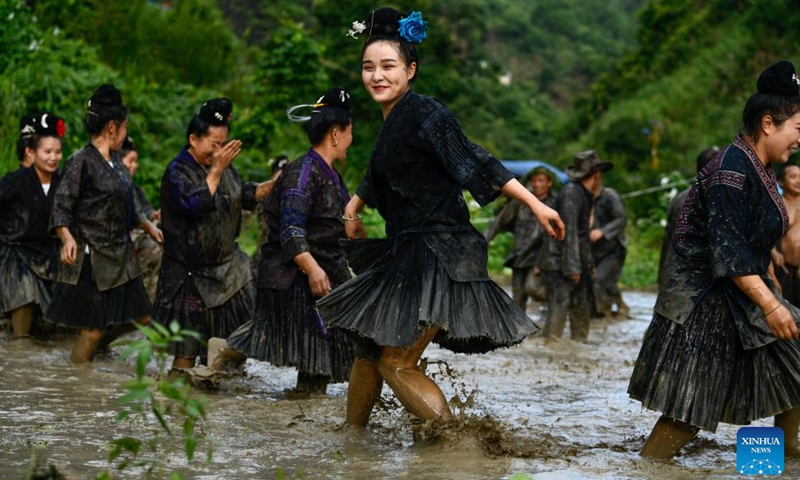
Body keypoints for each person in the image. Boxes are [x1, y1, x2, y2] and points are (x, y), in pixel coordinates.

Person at [316, 8, 564, 428]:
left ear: (411, 70)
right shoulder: (392, 123)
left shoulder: (428, 113)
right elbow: (382, 173)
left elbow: (477, 162)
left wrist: (536, 205)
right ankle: (353, 442)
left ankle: (455, 447)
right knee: (370, 352)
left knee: (397, 363)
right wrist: (354, 206)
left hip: (440, 253)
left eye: (389, 66)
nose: (377, 75)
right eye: (368, 67)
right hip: (409, 252)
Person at [628, 60, 800, 461]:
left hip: (743, 295)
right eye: (797, 131)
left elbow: (757, 244)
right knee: (689, 412)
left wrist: (773, 290)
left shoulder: (761, 169)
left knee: (796, 368)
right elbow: (730, 252)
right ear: (769, 123)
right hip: (702, 303)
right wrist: (771, 303)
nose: (798, 143)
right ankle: (646, 469)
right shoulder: (730, 170)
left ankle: (783, 459)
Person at [226, 87, 356, 396]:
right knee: (314, 371)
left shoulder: (332, 175)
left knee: (321, 372)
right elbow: (291, 230)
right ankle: (231, 349)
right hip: (294, 277)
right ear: (336, 134)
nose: (352, 140)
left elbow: (344, 222)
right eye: (350, 133)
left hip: (326, 273)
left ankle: (305, 412)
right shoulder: (302, 172)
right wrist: (313, 270)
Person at [153, 98, 275, 376]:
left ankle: (214, 394)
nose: (219, 152)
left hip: (225, 271)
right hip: (188, 276)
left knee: (239, 338)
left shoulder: (225, 167)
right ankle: (175, 400)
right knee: (186, 355)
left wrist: (274, 184)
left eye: (223, 144)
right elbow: (193, 204)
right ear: (193, 139)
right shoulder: (177, 171)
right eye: (213, 144)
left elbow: (244, 194)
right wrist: (216, 169)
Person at [45, 84, 163, 363]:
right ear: (112, 127)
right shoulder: (80, 161)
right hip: (94, 257)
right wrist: (66, 237)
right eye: (124, 127)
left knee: (145, 316)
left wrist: (148, 226)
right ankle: (75, 382)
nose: (125, 133)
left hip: (122, 255)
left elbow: (130, 203)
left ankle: (114, 358)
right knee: (93, 331)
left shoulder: (118, 164)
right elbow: (61, 203)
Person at [0, 112, 66, 339]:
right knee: (24, 296)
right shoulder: (15, 181)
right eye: (47, 152)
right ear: (31, 152)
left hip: (48, 255)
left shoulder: (63, 184)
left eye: (57, 152)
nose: (53, 157)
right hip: (15, 253)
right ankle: (20, 348)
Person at [537, 150, 612, 343]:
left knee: (581, 309)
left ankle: (578, 350)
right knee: (559, 309)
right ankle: (550, 349)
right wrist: (572, 266)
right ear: (595, 175)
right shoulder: (572, 193)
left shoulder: (583, 194)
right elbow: (567, 231)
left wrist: (588, 264)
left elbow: (582, 235)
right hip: (559, 263)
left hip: (573, 263)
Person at [484, 167, 556, 310]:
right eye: (534, 181)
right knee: (518, 298)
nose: (536, 184)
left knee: (532, 287)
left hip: (541, 257)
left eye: (540, 180)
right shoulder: (520, 203)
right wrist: (481, 242)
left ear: (549, 183)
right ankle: (520, 331)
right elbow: (498, 223)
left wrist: (544, 261)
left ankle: (557, 301)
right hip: (520, 256)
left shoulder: (554, 204)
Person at [657, 147, 718, 284]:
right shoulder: (715, 200)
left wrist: (661, 276)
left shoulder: (679, 198)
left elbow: (666, 242)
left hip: (673, 273)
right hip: (695, 278)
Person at [118, 135, 163, 302]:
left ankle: (152, 304)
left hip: (139, 241)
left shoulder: (135, 188)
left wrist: (156, 215)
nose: (134, 166)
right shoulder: (108, 186)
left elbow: (147, 212)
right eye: (130, 161)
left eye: (136, 162)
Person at [590, 184, 628, 318]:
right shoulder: (582, 197)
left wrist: (602, 231)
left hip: (614, 248)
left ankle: (606, 311)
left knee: (601, 279)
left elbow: (621, 219)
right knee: (600, 281)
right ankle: (617, 305)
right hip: (594, 250)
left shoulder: (610, 195)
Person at [771, 163, 800, 305]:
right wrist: (774, 253)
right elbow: (765, 235)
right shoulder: (777, 205)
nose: (798, 181)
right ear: (781, 182)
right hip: (785, 271)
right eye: (793, 177)